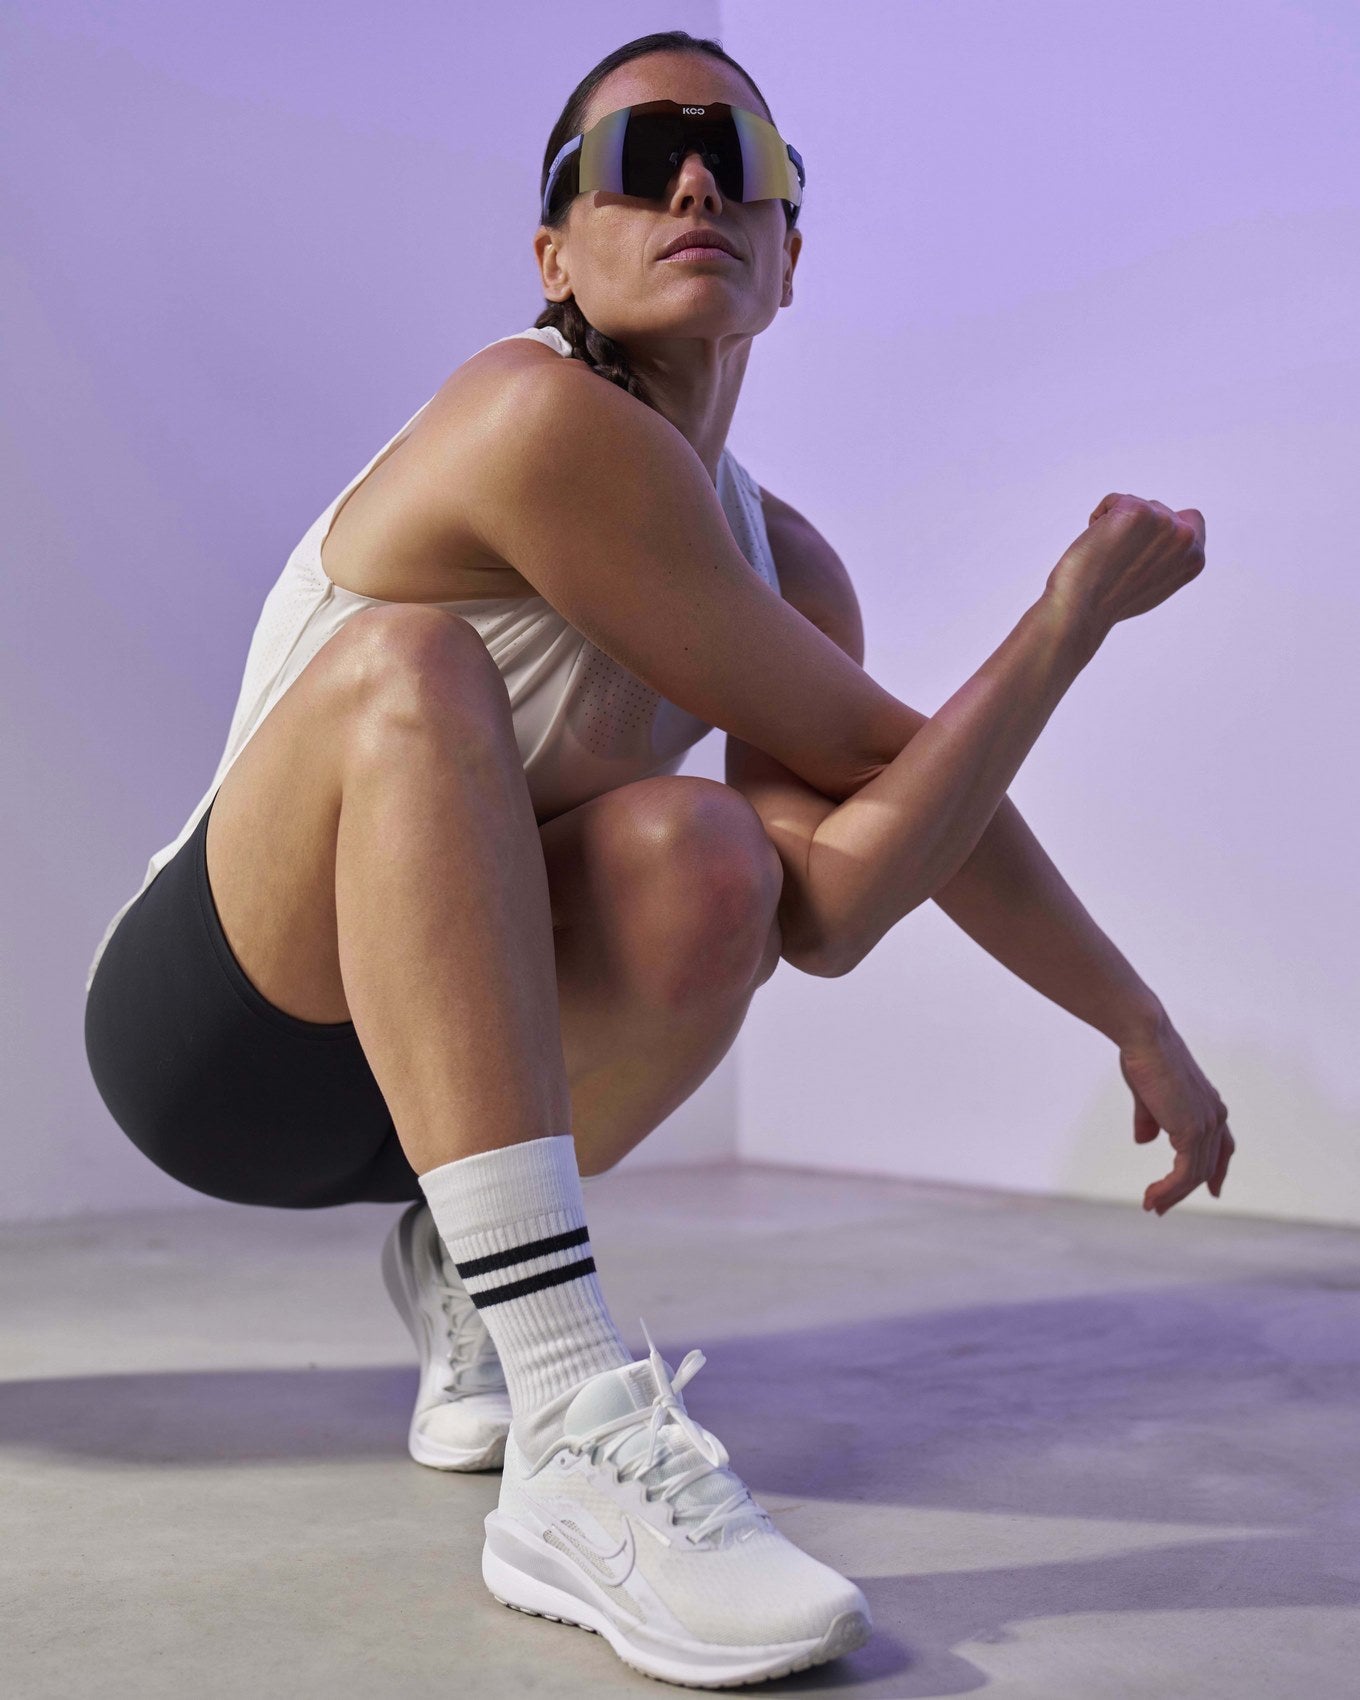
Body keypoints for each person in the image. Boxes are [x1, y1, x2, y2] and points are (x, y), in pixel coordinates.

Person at [83, 27, 1235, 1689]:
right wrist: (1059, 633)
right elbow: (884, 757)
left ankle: (467, 1258)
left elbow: (838, 898)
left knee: (715, 857)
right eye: (638, 160)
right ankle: (568, 1418)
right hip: (227, 1034)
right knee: (413, 669)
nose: (695, 182)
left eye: (738, 160)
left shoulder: (789, 570)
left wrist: (1126, 975)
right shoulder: (529, 413)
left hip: (447, 1074)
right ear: (555, 254)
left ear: (789, 253)